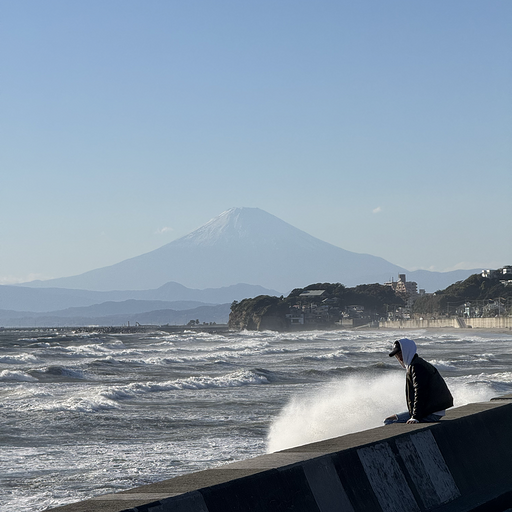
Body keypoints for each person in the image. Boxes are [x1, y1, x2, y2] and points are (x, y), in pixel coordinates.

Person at [384, 338, 453, 425]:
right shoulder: (415, 363)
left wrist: (415, 417)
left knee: (389, 421)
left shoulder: (417, 367)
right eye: (397, 355)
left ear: (408, 351)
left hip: (431, 412)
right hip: (431, 409)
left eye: (401, 353)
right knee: (391, 419)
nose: (400, 358)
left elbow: (420, 392)